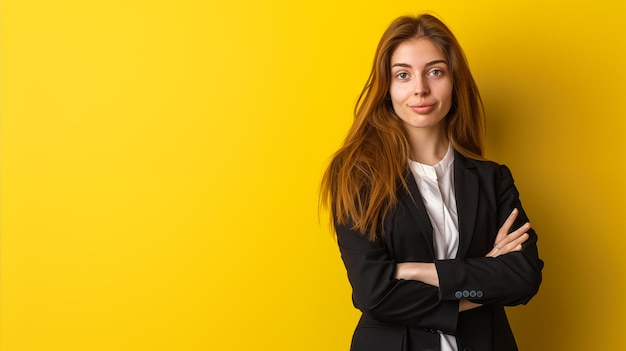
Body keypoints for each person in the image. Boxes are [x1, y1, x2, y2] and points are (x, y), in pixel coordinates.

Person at [320, 14, 543, 351]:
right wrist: (483, 272)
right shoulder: (356, 175)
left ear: (454, 80)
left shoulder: (493, 178)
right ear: (387, 87)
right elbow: (373, 293)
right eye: (403, 74)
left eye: (435, 71)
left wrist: (419, 271)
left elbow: (523, 278)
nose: (420, 88)